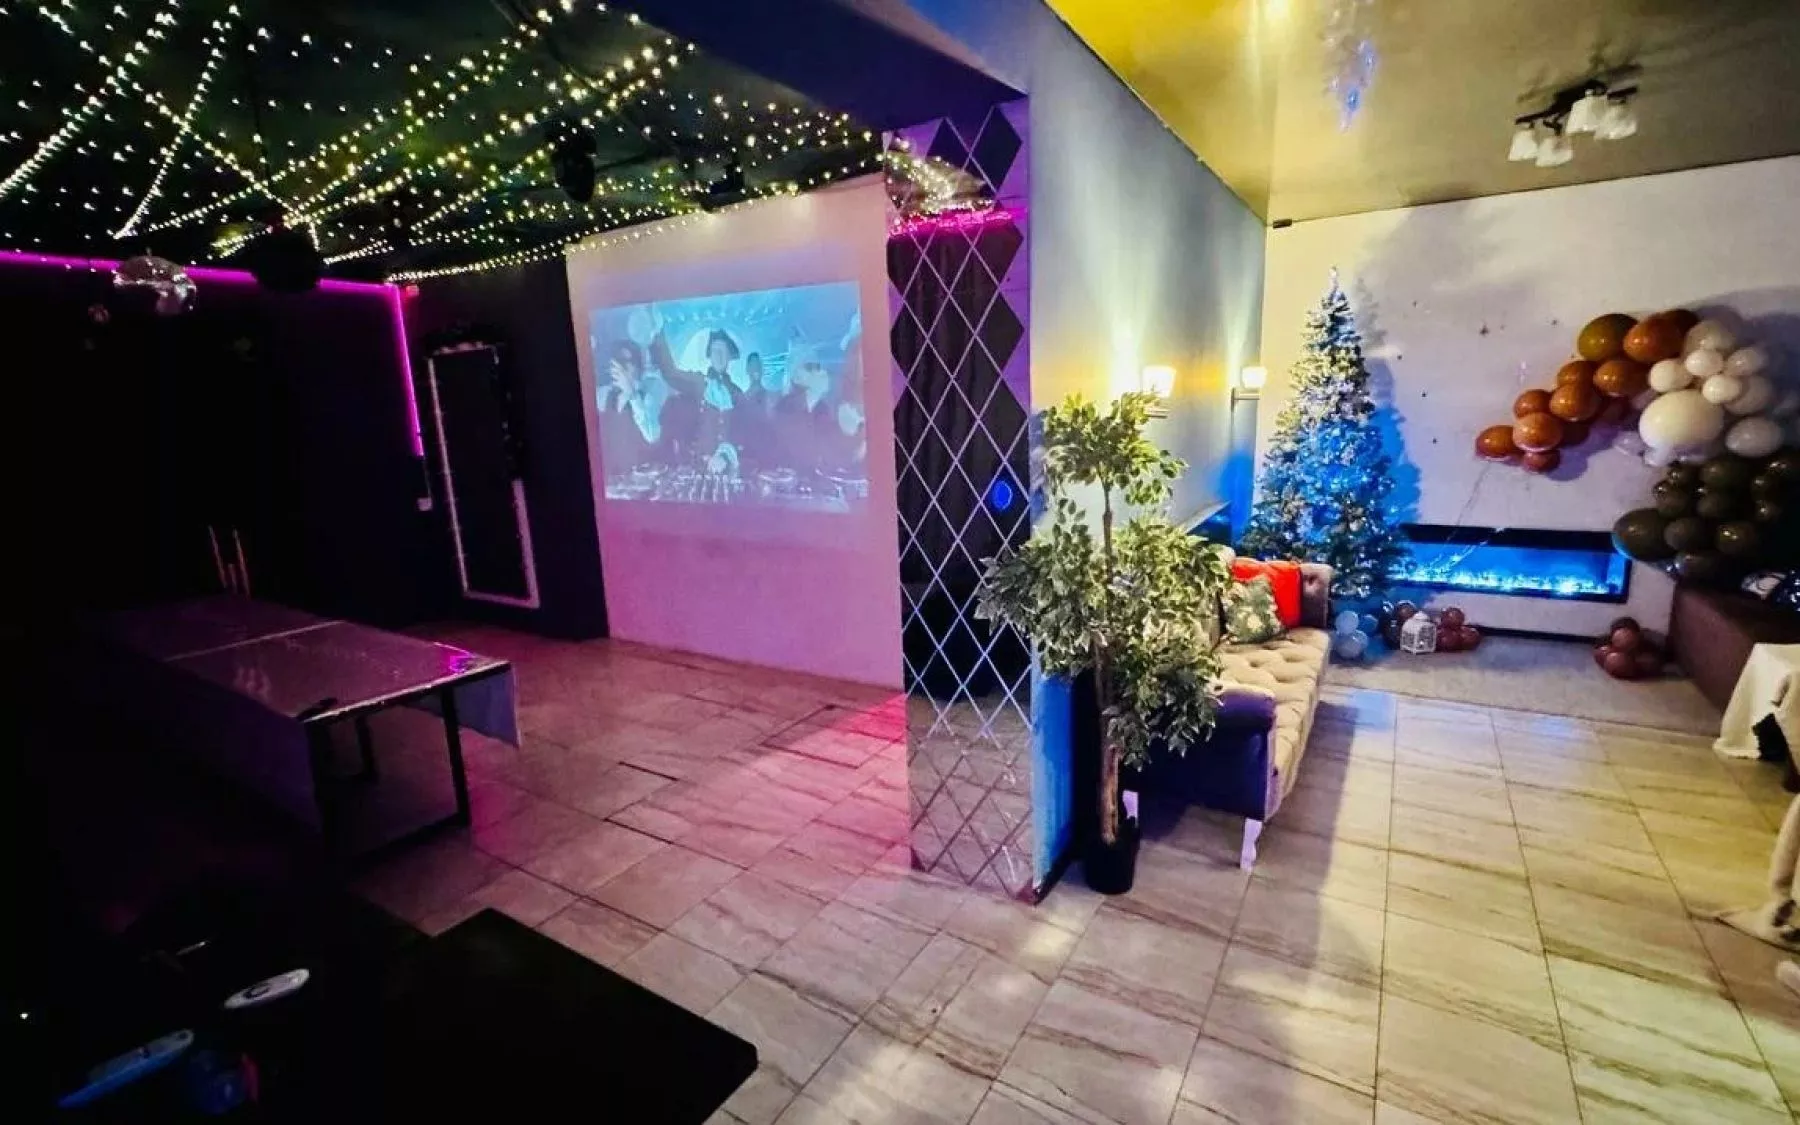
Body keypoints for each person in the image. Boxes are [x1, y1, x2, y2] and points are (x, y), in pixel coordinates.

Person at [654, 327, 744, 475]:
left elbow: (740, 432)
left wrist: (726, 455)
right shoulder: (698, 383)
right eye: (715, 351)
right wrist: (658, 334)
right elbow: (671, 374)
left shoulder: (736, 393)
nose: (718, 355)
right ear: (710, 355)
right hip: (696, 468)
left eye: (723, 351)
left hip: (727, 471)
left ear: (729, 357)